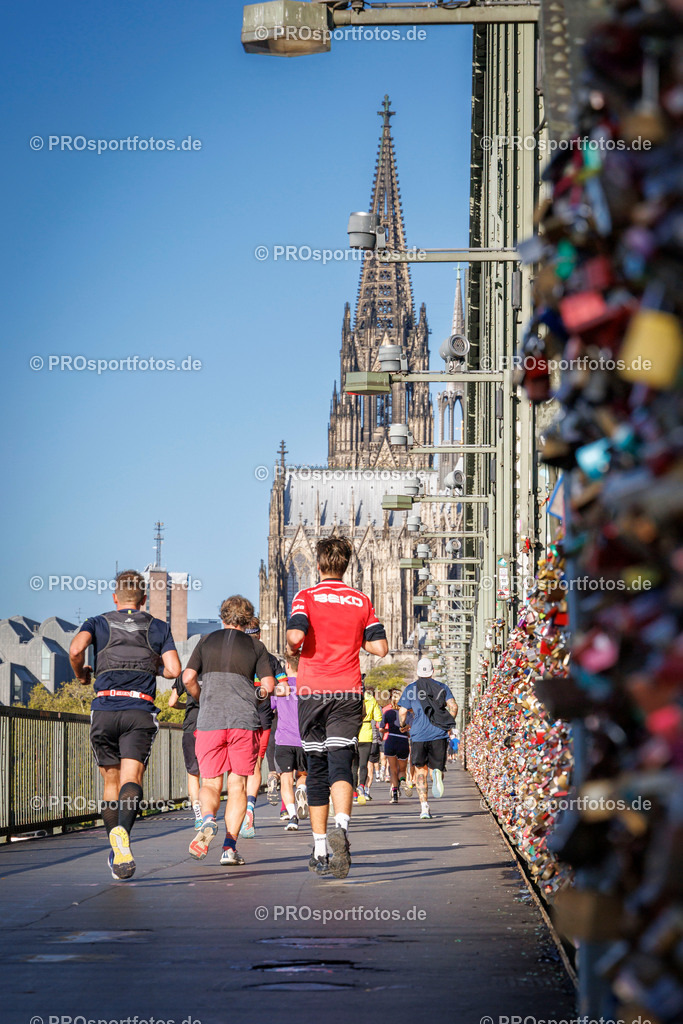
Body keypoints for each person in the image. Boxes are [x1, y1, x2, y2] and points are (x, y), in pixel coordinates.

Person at [69, 569, 181, 880]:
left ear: (116, 598)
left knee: (110, 782)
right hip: (139, 709)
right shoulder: (158, 626)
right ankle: (123, 836)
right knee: (133, 777)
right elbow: (173, 669)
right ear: (144, 599)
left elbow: (76, 649)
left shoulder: (98, 621)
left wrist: (82, 675)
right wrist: (152, 664)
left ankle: (117, 846)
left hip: (104, 707)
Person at [286, 536, 388, 878]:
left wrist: (294, 646)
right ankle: (341, 830)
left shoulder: (306, 597)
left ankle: (319, 849)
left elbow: (296, 638)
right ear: (346, 566)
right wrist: (352, 636)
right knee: (341, 763)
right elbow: (381, 648)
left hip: (313, 692)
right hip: (348, 691)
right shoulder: (361, 599)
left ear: (318, 566)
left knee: (316, 769)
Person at [182, 595, 275, 866]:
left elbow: (187, 678)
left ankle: (208, 820)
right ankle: (229, 848)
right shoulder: (256, 646)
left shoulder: (205, 641)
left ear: (222, 617)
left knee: (210, 782)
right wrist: (253, 695)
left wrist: (201, 696)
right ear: (247, 621)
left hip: (209, 720)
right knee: (238, 785)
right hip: (243, 722)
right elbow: (268, 686)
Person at [239, 617, 287, 839]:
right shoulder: (270, 659)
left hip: (237, 717)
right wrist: (263, 691)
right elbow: (284, 689)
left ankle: (237, 812)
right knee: (256, 764)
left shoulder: (234, 658)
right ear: (259, 635)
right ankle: (250, 809)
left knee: (238, 768)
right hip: (264, 716)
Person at [399, 657, 458, 820]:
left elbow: (403, 711)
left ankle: (424, 808)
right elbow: (454, 707)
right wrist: (447, 724)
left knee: (420, 771)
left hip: (418, 735)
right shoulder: (442, 687)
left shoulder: (411, 689)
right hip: (438, 734)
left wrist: (403, 725)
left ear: (418, 672)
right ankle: (437, 774)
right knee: (435, 769)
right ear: (433, 671)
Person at [271, 652, 308, 830]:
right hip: (304, 739)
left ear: (287, 666)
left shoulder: (280, 688)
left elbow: (269, 708)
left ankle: (292, 816)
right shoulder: (309, 688)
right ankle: (302, 790)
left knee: (286, 779)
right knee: (303, 775)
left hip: (284, 739)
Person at [168, 674, 202, 828]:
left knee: (193, 774)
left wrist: (187, 705)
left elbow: (171, 702)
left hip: (191, 727)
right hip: (210, 727)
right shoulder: (213, 670)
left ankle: (198, 816)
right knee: (210, 775)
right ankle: (209, 814)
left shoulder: (186, 674)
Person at [382, 688, 410, 803]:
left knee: (393, 769)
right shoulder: (407, 713)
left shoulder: (387, 713)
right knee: (402, 769)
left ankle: (394, 793)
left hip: (391, 740)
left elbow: (381, 728)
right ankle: (402, 779)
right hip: (403, 741)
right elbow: (410, 727)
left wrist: (386, 731)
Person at [356, 684, 383, 804]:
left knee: (353, 765)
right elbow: (378, 717)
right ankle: (362, 785)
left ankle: (354, 793)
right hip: (366, 733)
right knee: (364, 765)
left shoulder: (350, 697)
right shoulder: (371, 699)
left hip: (353, 732)